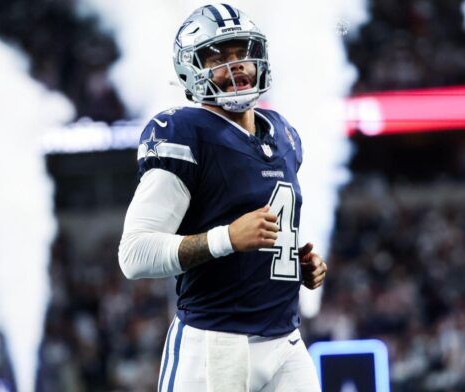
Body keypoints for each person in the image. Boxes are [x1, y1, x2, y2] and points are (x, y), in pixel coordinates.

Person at [118, 4, 327, 391]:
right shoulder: (184, 132)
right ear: (190, 69)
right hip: (216, 345)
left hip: (287, 340)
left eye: (241, 52)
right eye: (218, 57)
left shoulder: (283, 135)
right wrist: (227, 237)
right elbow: (134, 255)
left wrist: (293, 262)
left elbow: (261, 227)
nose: (236, 66)